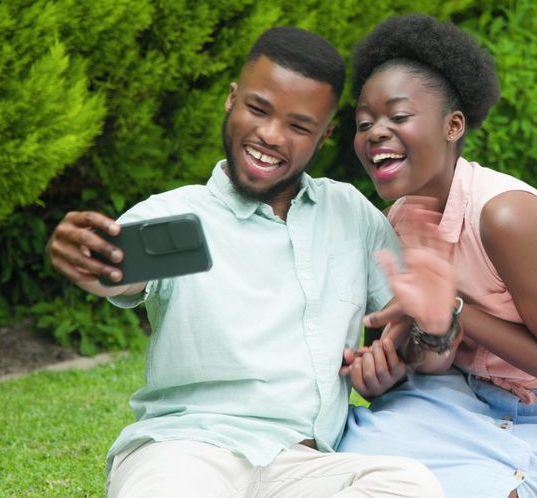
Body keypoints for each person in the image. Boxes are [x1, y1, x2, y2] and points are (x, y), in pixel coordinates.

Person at [45, 26, 449, 498]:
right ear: (231, 99)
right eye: (258, 109)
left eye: (299, 126)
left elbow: (412, 339)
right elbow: (117, 273)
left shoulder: (350, 214)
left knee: (409, 485)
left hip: (302, 466)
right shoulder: (174, 214)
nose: (270, 135)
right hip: (184, 453)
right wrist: (93, 264)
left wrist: (437, 322)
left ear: (324, 135)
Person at [336, 14, 537, 497]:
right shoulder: (401, 219)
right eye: (364, 123)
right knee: (354, 474)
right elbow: (431, 356)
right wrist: (390, 368)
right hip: (454, 396)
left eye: (398, 117)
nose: (375, 133)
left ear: (453, 126)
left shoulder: (505, 218)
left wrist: (454, 311)